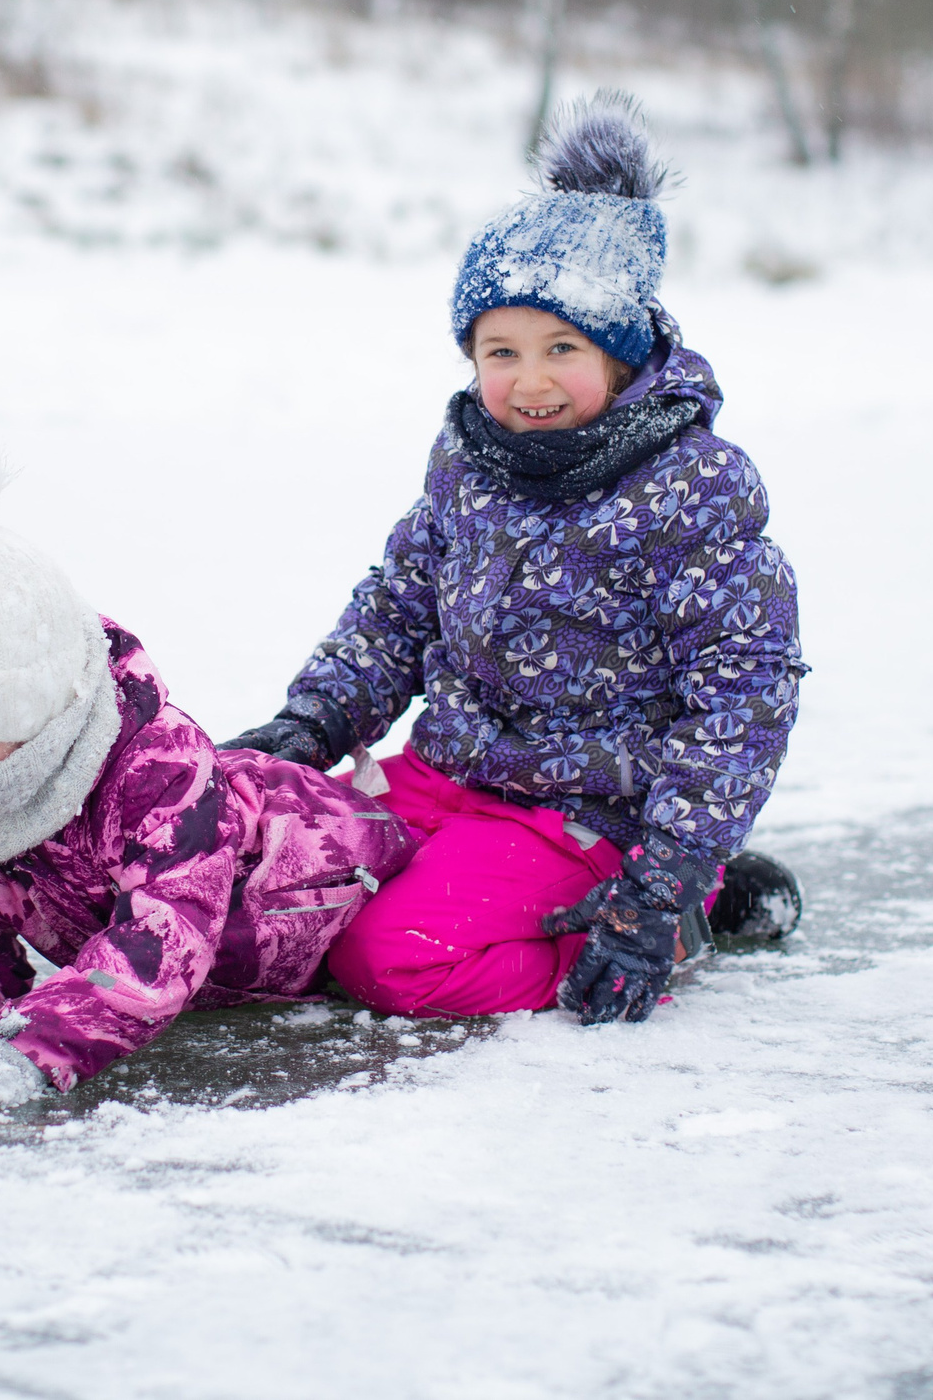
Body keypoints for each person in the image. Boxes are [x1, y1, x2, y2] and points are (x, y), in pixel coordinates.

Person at [224, 90, 807, 1025]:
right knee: (263, 875)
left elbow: (742, 696)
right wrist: (314, 723)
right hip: (442, 773)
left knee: (390, 959)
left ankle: (685, 917)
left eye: (561, 348)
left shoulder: (690, 490)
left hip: (583, 817)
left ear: (620, 360)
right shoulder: (472, 460)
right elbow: (401, 604)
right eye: (501, 350)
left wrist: (664, 881)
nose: (527, 380)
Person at [0, 434, 414, 1109]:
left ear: (45, 711)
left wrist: (30, 1053)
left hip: (354, 883)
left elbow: (156, 945)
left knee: (407, 960)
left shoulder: (159, 773)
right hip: (219, 979)